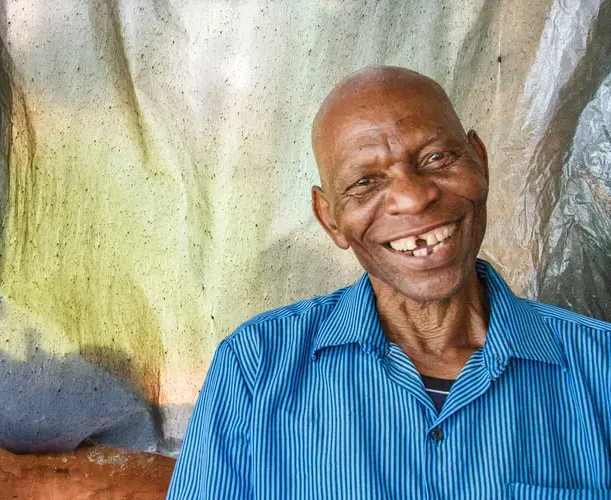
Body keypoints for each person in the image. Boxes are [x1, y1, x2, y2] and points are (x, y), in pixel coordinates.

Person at [166, 67, 611, 499]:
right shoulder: (256, 367)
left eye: (437, 157)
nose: (414, 197)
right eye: (365, 182)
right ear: (330, 219)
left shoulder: (599, 368)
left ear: (481, 161)